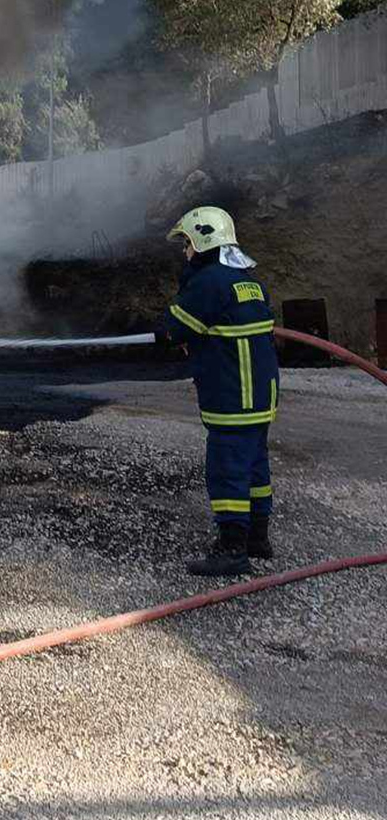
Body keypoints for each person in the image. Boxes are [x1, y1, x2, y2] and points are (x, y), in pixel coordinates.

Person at [158, 206, 279, 577]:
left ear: (203, 240)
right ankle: (258, 538)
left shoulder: (210, 282)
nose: (185, 253)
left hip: (233, 397)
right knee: (255, 467)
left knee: (226, 471)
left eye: (188, 245)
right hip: (260, 398)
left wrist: (167, 331)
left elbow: (172, 329)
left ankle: (232, 549)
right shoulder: (248, 280)